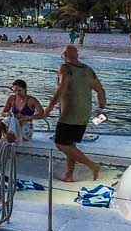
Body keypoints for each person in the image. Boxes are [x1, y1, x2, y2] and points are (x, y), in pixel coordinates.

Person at [45, 45, 105, 182]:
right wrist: (101, 110)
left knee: (60, 144)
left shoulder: (64, 68)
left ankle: (93, 166)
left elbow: (61, 89)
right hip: (84, 114)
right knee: (70, 145)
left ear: (64, 55)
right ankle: (69, 175)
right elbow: (101, 91)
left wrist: (49, 108)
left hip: (69, 113)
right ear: (77, 55)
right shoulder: (89, 70)